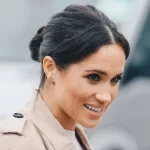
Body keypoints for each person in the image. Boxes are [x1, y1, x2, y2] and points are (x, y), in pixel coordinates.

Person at [0, 4, 130, 150]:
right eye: (93, 77)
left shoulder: (74, 134)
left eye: (115, 80)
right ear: (50, 68)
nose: (106, 97)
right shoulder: (17, 143)